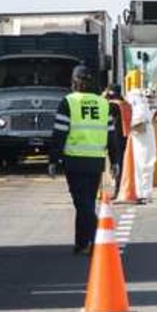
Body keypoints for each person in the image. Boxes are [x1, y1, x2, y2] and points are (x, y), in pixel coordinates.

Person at [48, 66, 112, 255]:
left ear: (74, 81)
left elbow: (60, 133)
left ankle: (97, 238)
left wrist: (53, 159)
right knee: (87, 202)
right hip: (96, 161)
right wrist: (115, 160)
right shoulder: (103, 103)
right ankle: (81, 243)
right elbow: (112, 134)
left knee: (81, 203)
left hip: (75, 161)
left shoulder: (68, 102)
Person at [126, 84, 157, 203]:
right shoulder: (139, 101)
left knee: (141, 163)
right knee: (146, 162)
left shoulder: (135, 100)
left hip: (140, 131)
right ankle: (144, 193)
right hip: (143, 131)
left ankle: (142, 192)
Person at [104, 85, 129, 199]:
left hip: (114, 138)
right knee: (122, 164)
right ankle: (120, 188)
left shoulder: (112, 105)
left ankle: (116, 190)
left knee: (115, 164)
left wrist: (104, 95)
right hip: (125, 138)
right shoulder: (125, 104)